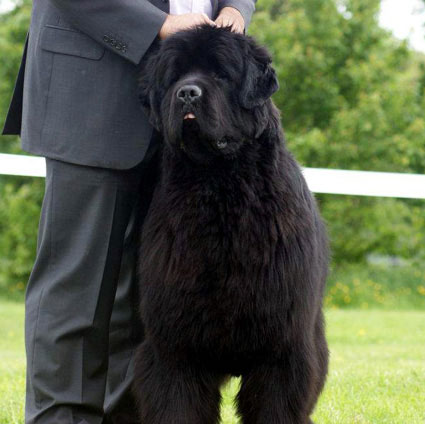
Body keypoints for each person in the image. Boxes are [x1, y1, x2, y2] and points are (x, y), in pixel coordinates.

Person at [2, 0, 256, 423]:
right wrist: (160, 24)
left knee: (154, 302)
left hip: (191, 111)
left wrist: (236, 7)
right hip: (90, 89)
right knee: (75, 294)